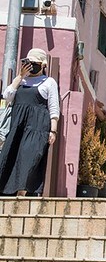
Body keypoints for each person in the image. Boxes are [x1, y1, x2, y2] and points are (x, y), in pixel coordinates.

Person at [0, 48, 60, 196]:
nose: (31, 66)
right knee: (10, 157)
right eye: (29, 62)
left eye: (35, 63)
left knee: (29, 157)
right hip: (18, 127)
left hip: (37, 128)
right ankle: (10, 193)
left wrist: (53, 130)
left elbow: (54, 108)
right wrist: (20, 76)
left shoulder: (49, 82)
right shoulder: (21, 80)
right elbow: (7, 96)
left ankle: (22, 194)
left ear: (43, 65)